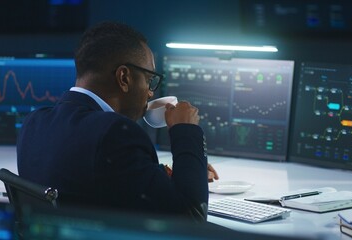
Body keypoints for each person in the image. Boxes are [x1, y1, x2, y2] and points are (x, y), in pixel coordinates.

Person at [17, 21, 218, 221]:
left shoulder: (33, 124)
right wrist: (185, 131)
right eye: (149, 80)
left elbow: (103, 180)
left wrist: (186, 170)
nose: (150, 92)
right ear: (124, 77)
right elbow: (191, 218)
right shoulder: (116, 133)